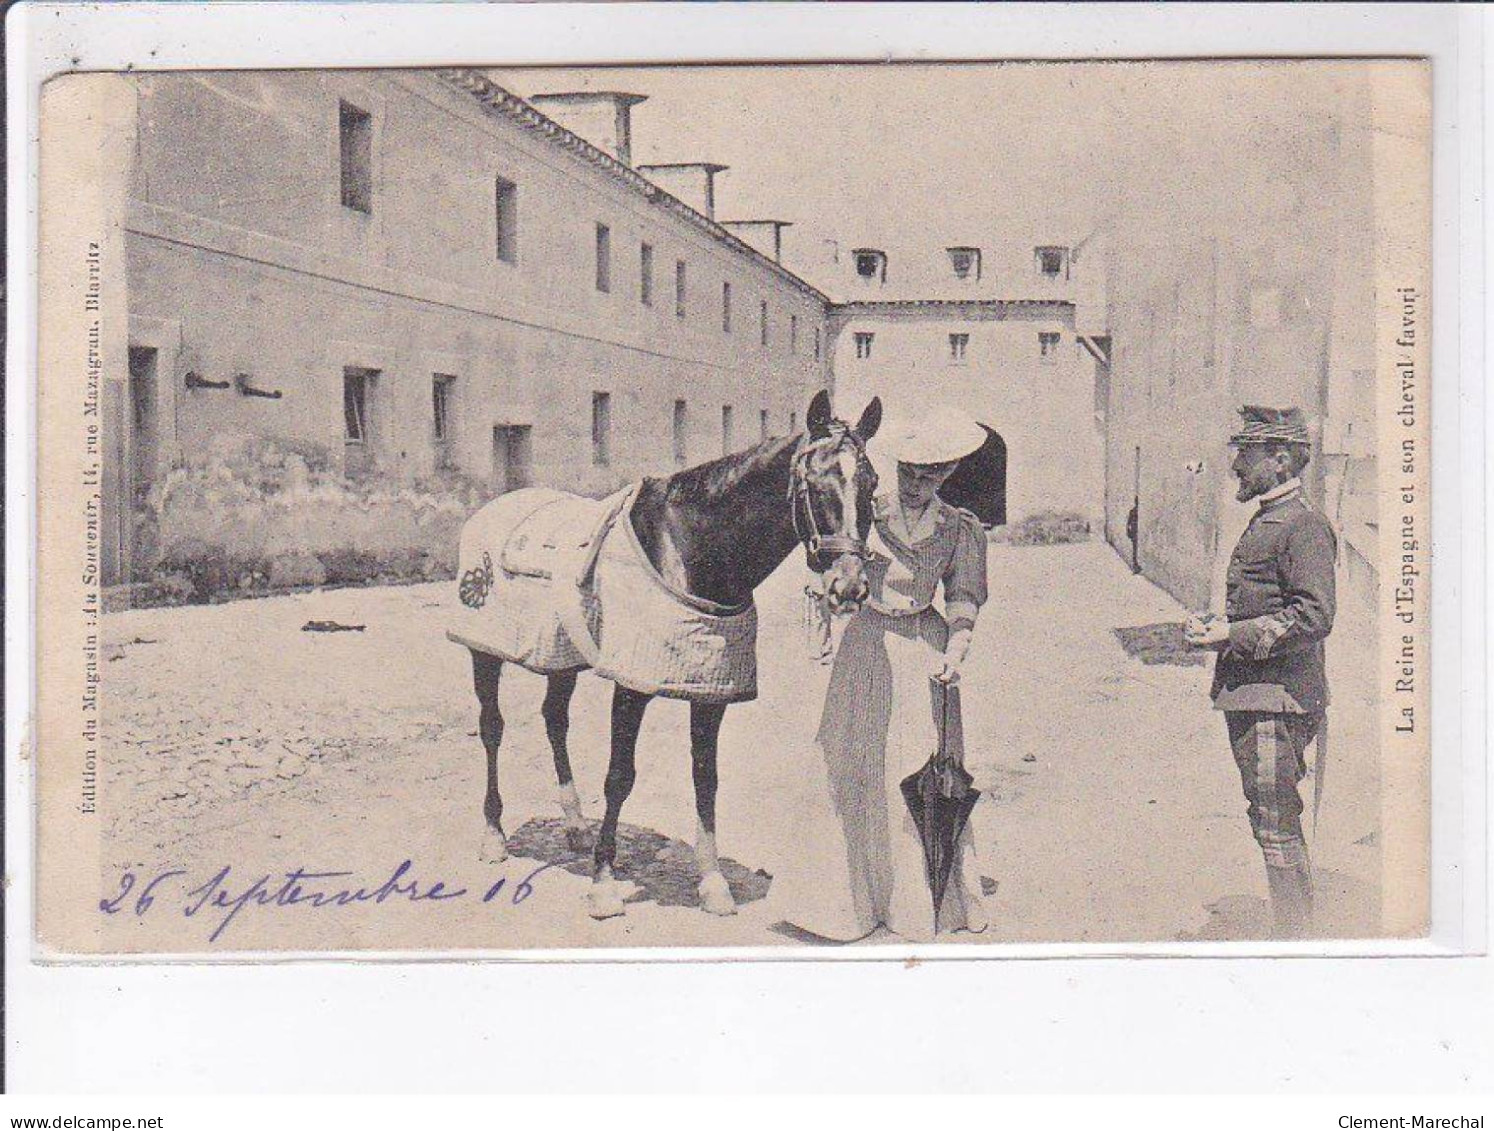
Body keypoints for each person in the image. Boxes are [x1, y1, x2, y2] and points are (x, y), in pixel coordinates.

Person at [776, 404, 991, 943]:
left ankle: (915, 902)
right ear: (897, 467)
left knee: (919, 767)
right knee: (854, 762)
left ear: (948, 474)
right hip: (867, 647)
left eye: (933, 474)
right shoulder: (864, 510)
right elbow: (829, 564)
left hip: (924, 647)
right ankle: (847, 902)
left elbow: (963, 596)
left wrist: (956, 650)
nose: (920, 483)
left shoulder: (959, 528)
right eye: (911, 472)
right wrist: (823, 599)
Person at [1184, 405, 1336, 939]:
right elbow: (1272, 604)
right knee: (1268, 817)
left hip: (1278, 698)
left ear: (1279, 459)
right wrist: (1222, 622)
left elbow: (1314, 615)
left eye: (1245, 456)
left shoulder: (1303, 525)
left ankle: (1296, 942)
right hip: (1256, 695)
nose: (1236, 468)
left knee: (1275, 822)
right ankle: (1295, 934)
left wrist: (1230, 634)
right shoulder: (1272, 518)